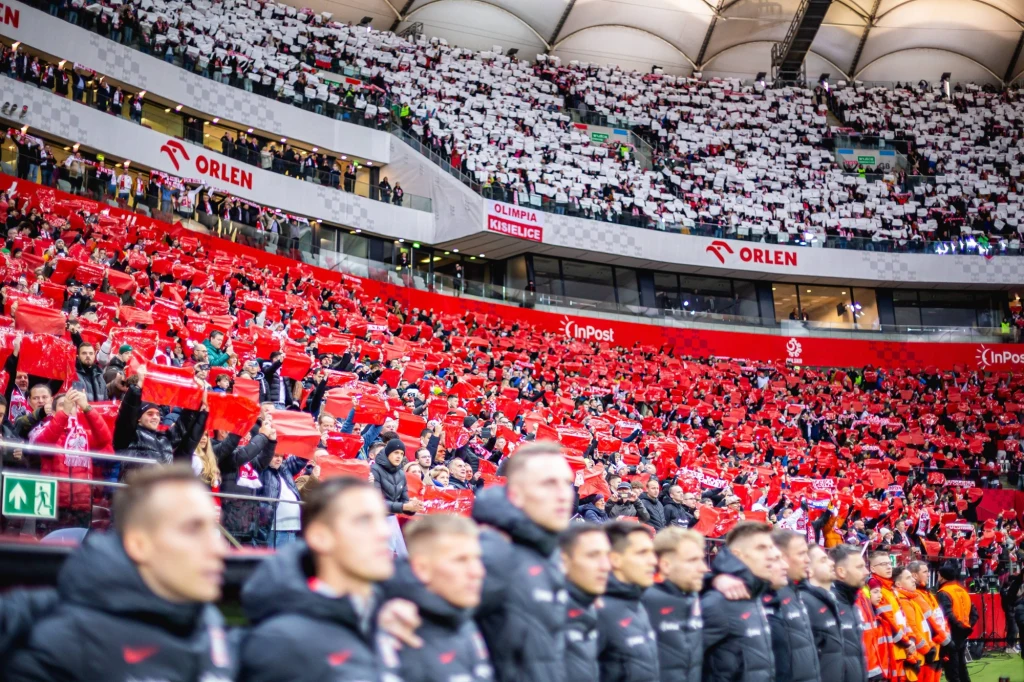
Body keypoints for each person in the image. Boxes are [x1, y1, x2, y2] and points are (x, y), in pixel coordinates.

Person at [3, 465, 235, 681]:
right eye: (193, 529)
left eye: (212, 528)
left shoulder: (209, 623)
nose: (218, 547)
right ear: (138, 544)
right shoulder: (63, 647)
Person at [240, 478, 400, 682]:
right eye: (364, 521)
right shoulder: (283, 642)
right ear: (320, 537)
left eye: (381, 519)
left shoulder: (396, 621)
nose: (385, 532)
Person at [470, 442, 574, 682]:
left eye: (567, 483)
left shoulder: (547, 552)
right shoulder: (492, 551)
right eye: (549, 483)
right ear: (515, 494)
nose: (563, 494)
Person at [378, 515, 491, 682]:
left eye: (477, 559)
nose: (477, 572)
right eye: (460, 560)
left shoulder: (464, 619)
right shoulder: (396, 635)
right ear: (422, 568)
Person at [701, 521, 776, 682]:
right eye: (761, 548)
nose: (771, 555)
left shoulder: (755, 594)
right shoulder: (719, 601)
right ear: (738, 554)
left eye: (771, 547)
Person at [596, 521, 659, 682]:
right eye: (642, 553)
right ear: (615, 559)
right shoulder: (597, 610)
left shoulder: (636, 601)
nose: (653, 561)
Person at [642, 526, 706, 682]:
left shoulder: (695, 597)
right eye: (692, 560)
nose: (703, 568)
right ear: (665, 565)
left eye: (701, 559)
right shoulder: (643, 602)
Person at [768, 530, 821, 682]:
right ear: (781, 556)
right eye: (801, 554)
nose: (807, 560)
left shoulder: (794, 592)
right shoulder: (771, 596)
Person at [560, 523, 611, 682]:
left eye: (607, 556)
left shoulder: (594, 609)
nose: (605, 566)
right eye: (593, 555)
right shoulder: (544, 613)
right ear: (564, 561)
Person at [797, 544, 844, 676]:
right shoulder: (804, 603)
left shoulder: (832, 599)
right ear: (809, 569)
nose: (831, 563)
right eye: (823, 560)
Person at [868, 551, 914, 681]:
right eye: (883, 564)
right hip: (889, 652)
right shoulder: (877, 590)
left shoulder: (889, 589)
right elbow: (889, 620)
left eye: (889, 563)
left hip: (899, 650)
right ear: (872, 568)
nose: (889, 567)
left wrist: (910, 639)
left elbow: (901, 618)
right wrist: (906, 642)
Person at [829, 544, 871, 682]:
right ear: (841, 572)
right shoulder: (828, 605)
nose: (866, 572)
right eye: (859, 567)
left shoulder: (852, 603)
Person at [908, 561, 949, 682]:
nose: (928, 574)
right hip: (926, 654)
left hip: (936, 649)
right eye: (925, 572)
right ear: (915, 575)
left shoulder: (928, 593)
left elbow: (938, 618)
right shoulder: (915, 596)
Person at [936, 562, 977, 682]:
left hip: (951, 635)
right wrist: (966, 628)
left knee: (952, 672)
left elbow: (946, 615)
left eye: (938, 575)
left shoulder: (944, 592)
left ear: (943, 577)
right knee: (962, 669)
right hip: (962, 634)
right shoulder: (962, 591)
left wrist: (959, 628)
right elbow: (975, 613)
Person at [371, 438, 424, 516]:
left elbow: (404, 501)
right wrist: (404, 506)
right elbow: (376, 502)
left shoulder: (401, 474)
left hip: (392, 518)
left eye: (401, 454)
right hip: (375, 518)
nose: (399, 456)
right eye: (396, 453)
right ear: (388, 453)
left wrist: (413, 506)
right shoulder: (374, 469)